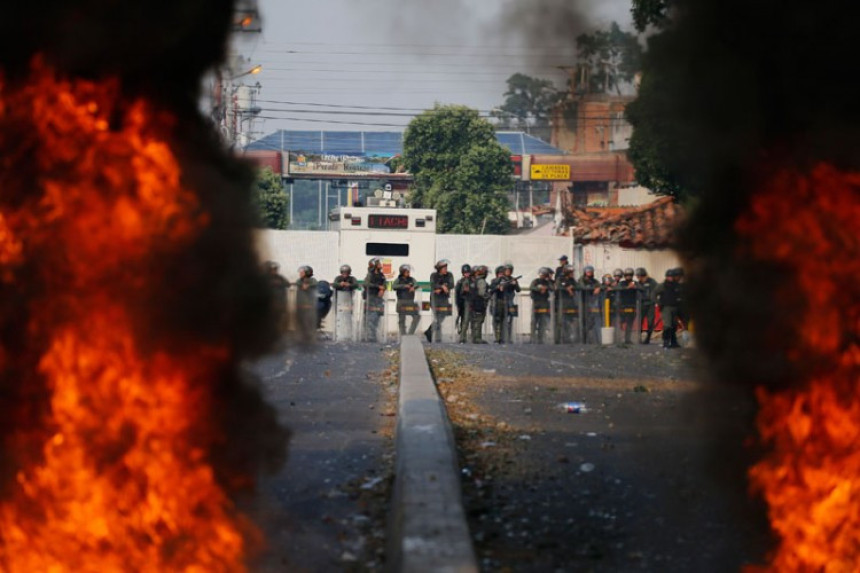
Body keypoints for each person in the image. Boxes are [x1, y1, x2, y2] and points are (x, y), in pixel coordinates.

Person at [490, 263, 521, 343]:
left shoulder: (513, 279)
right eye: (506, 270)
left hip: (509, 302)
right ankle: (498, 338)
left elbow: (518, 290)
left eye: (509, 270)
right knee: (498, 320)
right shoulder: (499, 279)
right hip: (500, 302)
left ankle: (508, 337)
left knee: (509, 321)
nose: (508, 272)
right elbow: (492, 287)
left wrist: (515, 284)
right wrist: (498, 287)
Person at [425, 259, 454, 343]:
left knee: (442, 317)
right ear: (439, 269)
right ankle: (437, 338)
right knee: (437, 318)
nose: (446, 269)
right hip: (435, 299)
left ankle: (429, 331)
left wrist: (442, 288)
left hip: (444, 299)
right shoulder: (434, 275)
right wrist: (442, 287)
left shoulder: (449, 275)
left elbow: (451, 284)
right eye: (444, 268)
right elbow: (432, 284)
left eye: (446, 267)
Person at [655, 268, 682, 349]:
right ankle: (666, 342)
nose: (671, 278)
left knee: (674, 325)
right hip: (666, 308)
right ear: (666, 277)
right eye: (669, 276)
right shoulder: (662, 286)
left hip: (675, 307)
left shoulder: (676, 285)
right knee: (667, 326)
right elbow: (653, 294)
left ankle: (674, 342)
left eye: (672, 276)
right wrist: (659, 303)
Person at [392, 264, 420, 335]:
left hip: (410, 301)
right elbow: (394, 286)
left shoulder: (411, 279)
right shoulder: (398, 280)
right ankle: (403, 334)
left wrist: (413, 287)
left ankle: (410, 333)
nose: (408, 273)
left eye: (409, 271)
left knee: (417, 316)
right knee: (402, 319)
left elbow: (417, 284)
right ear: (402, 272)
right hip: (401, 301)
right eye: (407, 272)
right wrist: (404, 286)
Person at [363, 258, 386, 342]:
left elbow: (384, 284)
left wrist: (383, 289)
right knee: (370, 318)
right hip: (371, 297)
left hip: (378, 299)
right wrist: (377, 286)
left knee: (377, 316)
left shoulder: (381, 275)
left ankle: (374, 335)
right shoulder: (370, 275)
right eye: (379, 263)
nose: (381, 265)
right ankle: (369, 335)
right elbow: (366, 284)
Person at [529, 267, 553, 344]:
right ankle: (533, 338)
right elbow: (532, 287)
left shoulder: (548, 282)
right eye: (541, 275)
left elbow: (552, 288)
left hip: (544, 303)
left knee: (543, 322)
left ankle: (541, 338)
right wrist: (539, 289)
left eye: (544, 275)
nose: (542, 276)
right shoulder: (535, 281)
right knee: (534, 321)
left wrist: (545, 287)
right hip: (536, 303)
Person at [578, 265, 602, 343]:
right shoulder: (581, 280)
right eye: (588, 272)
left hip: (593, 304)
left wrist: (599, 288)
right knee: (585, 322)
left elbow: (599, 285)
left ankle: (595, 340)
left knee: (593, 322)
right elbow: (582, 286)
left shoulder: (594, 281)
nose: (589, 273)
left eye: (591, 272)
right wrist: (592, 289)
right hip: (583, 303)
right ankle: (583, 340)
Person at [635, 267, 658, 344]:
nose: (638, 278)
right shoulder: (638, 283)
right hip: (642, 304)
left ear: (643, 275)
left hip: (650, 304)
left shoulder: (652, 282)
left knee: (650, 321)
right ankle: (639, 338)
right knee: (640, 321)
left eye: (639, 276)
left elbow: (657, 290)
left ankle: (648, 338)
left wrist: (655, 300)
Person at [557, 264, 580, 343]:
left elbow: (578, 286)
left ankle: (573, 338)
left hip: (572, 303)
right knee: (563, 321)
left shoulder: (572, 280)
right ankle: (563, 339)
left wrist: (572, 287)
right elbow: (558, 287)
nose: (572, 274)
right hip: (563, 303)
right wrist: (566, 288)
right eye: (570, 272)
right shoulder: (560, 279)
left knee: (573, 321)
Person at [615, 268, 639, 344]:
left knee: (630, 323)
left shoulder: (635, 283)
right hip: (622, 306)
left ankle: (627, 339)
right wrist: (627, 288)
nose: (628, 277)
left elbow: (642, 288)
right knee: (620, 322)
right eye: (627, 275)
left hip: (632, 306)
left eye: (630, 275)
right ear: (624, 276)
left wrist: (636, 287)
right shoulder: (622, 283)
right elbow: (617, 288)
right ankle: (617, 338)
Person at [265, 260, 289, 331]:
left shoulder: (280, 278)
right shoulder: (266, 278)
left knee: (279, 318)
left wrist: (279, 283)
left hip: (280, 303)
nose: (274, 271)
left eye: (275, 269)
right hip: (270, 303)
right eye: (272, 269)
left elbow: (287, 284)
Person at [469, 265, 490, 343]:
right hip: (479, 303)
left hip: (474, 303)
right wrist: (489, 295)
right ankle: (477, 338)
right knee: (478, 320)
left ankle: (475, 337)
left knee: (475, 320)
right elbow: (482, 293)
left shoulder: (475, 281)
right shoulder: (481, 281)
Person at [295, 265, 318, 335]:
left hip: (309, 306)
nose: (300, 274)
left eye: (302, 272)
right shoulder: (299, 280)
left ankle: (309, 336)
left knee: (309, 322)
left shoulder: (313, 280)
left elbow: (315, 283)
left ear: (307, 273)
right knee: (300, 322)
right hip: (300, 305)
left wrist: (309, 285)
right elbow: (298, 283)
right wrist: (303, 285)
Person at [455, 264, 474, 343]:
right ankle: (462, 336)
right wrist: (458, 304)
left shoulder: (472, 281)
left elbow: (474, 291)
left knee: (467, 320)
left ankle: (463, 337)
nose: (467, 274)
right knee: (463, 320)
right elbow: (457, 294)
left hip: (469, 302)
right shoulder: (460, 282)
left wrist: (469, 291)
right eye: (465, 273)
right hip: (462, 302)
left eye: (468, 272)